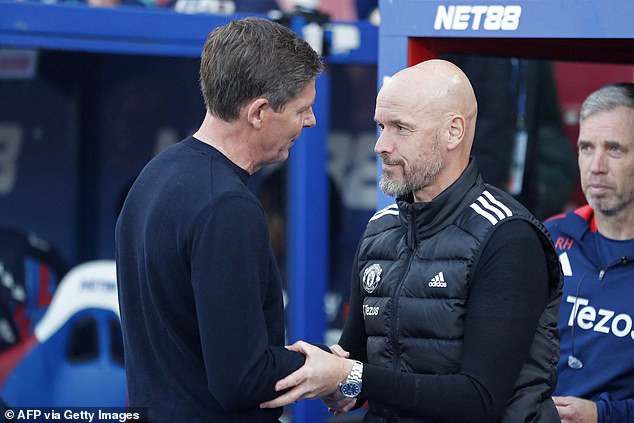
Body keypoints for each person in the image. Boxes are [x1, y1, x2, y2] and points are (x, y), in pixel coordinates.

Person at [260, 59, 563, 422]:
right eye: (380, 126)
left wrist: (351, 376)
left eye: (400, 128)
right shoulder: (380, 230)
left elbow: (480, 399)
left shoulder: (507, 237)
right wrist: (338, 384)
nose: (380, 145)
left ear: (453, 132)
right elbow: (361, 367)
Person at [115, 17, 323, 422]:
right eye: (302, 109)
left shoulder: (154, 174)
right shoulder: (228, 207)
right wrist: (325, 372)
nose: (310, 121)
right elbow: (240, 380)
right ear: (259, 112)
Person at [544, 82, 634, 423]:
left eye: (614, 149)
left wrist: (602, 416)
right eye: (586, 147)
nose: (596, 165)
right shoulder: (547, 237)